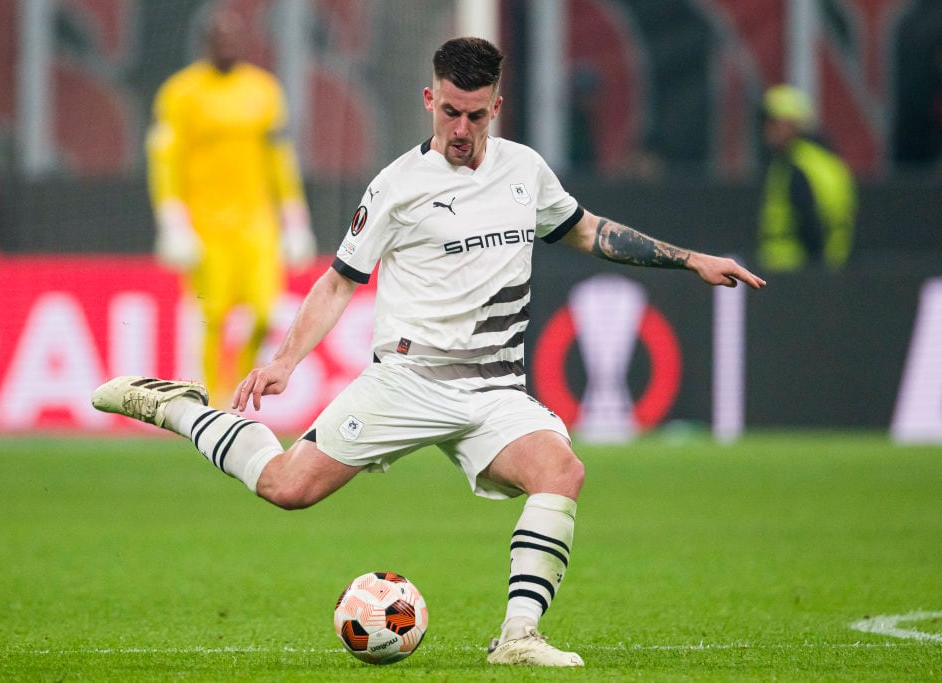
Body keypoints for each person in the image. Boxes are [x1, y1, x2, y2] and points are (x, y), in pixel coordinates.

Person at [96, 37, 766, 667]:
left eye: (475, 114)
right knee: (287, 488)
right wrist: (284, 360)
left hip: (495, 389)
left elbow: (589, 231)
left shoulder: (525, 171)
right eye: (450, 111)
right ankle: (180, 407)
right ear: (429, 100)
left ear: (496, 107)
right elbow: (337, 282)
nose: (461, 128)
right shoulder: (396, 186)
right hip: (407, 380)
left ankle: (518, 636)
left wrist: (691, 259)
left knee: (561, 473)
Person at [146, 10, 317, 405]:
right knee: (212, 316)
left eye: (233, 39)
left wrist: (295, 219)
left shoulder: (263, 91)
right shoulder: (180, 93)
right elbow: (165, 160)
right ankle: (208, 400)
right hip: (205, 224)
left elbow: (280, 160)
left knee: (263, 313)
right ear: (205, 44)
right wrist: (172, 219)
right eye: (218, 40)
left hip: (257, 224)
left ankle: (235, 390)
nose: (227, 47)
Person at [757, 84, 857, 272]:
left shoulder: (796, 166)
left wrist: (814, 272)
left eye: (773, 122)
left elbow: (811, 224)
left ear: (791, 124)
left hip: (794, 270)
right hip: (827, 266)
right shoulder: (822, 160)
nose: (767, 130)